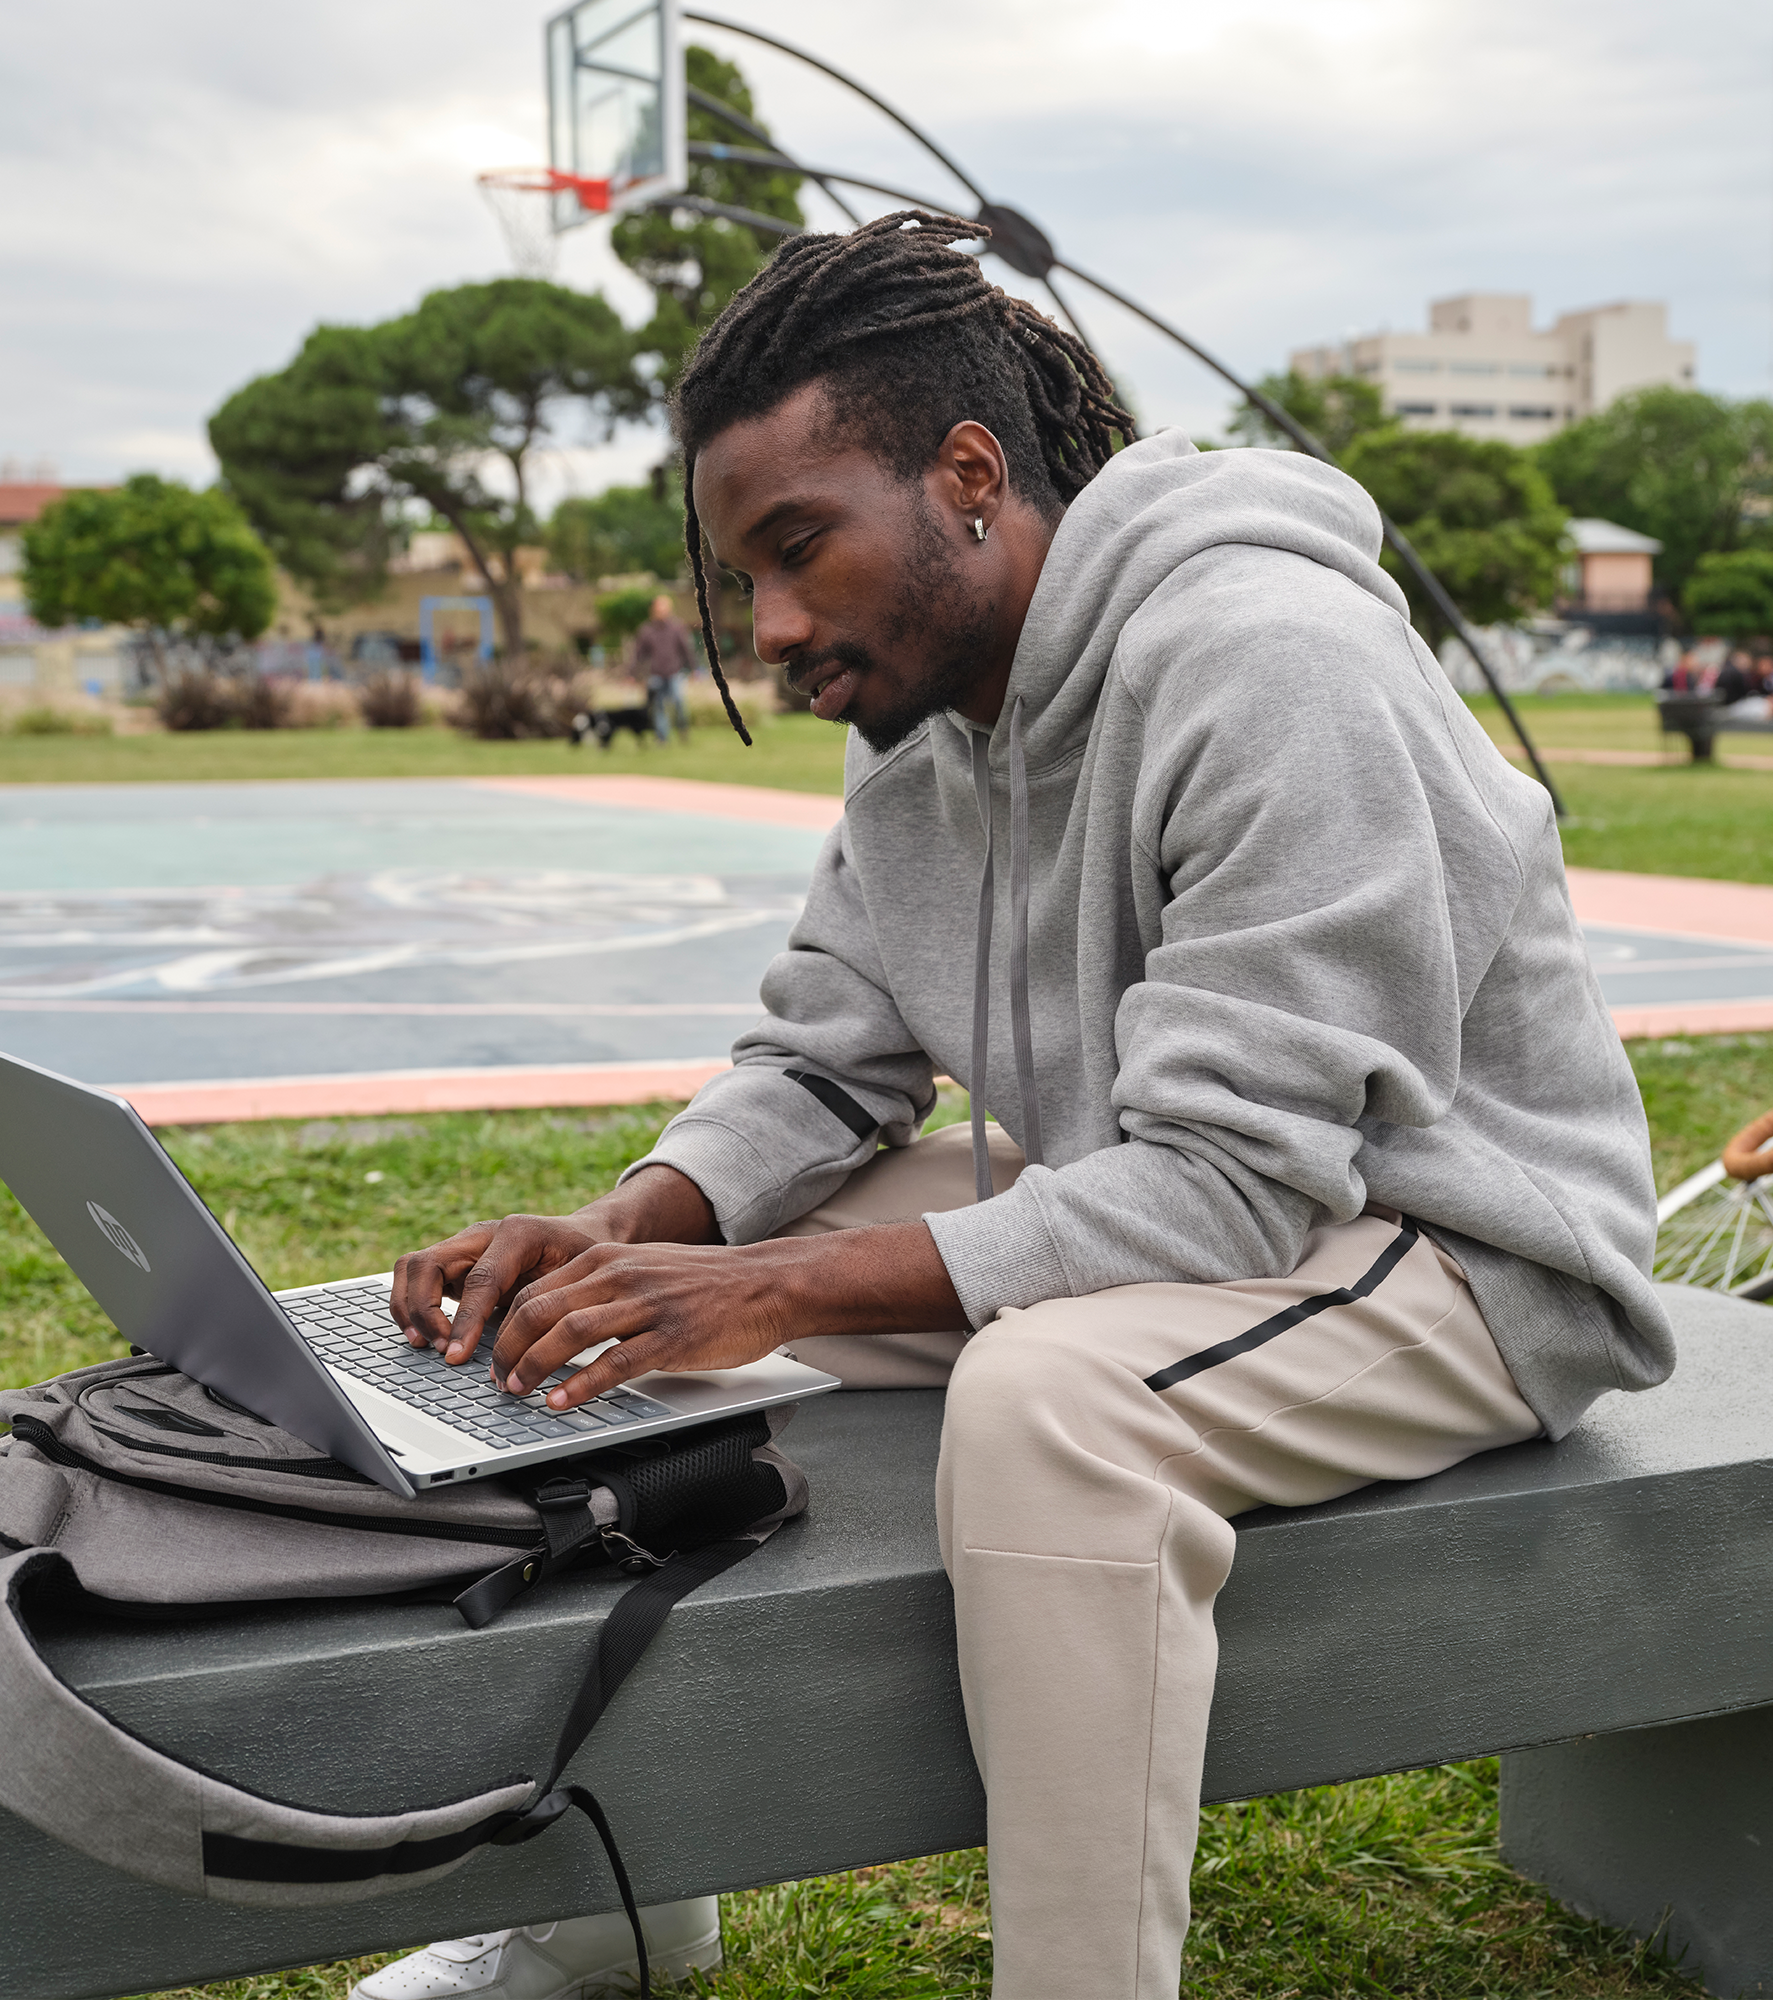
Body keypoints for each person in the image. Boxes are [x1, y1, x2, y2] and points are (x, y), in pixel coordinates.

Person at [358, 211, 1668, 2000]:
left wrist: (774, 1294)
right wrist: (625, 1234)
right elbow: (825, 1060)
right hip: (1201, 1201)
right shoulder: (916, 726)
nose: (780, 626)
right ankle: (614, 1911)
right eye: (746, 581)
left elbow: (1232, 1185)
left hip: (1463, 1245)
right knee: (608, 1325)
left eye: (799, 549)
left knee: (1050, 1400)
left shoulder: (1268, 657)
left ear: (969, 474)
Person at [632, 593, 694, 742]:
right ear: (653, 610)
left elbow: (686, 649)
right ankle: (662, 738)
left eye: (664, 608)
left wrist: (693, 669)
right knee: (658, 707)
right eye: (659, 609)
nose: (661, 611)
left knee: (679, 703)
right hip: (656, 674)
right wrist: (631, 673)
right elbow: (638, 654)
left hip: (674, 672)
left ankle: (683, 732)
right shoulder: (647, 630)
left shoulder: (677, 627)